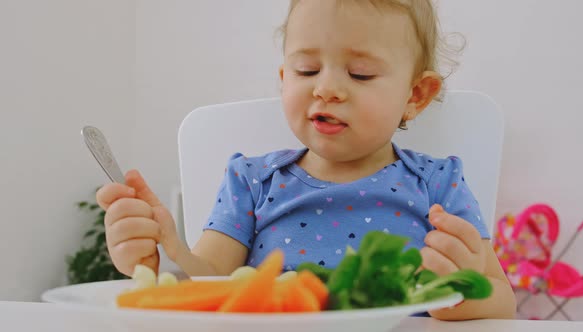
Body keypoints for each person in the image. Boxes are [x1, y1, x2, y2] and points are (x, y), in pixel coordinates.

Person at [96, 0, 516, 320]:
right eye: (307, 69)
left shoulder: (437, 183)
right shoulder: (254, 180)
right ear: (284, 80)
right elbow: (209, 281)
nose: (327, 88)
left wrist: (457, 289)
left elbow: (503, 301)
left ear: (415, 95)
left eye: (360, 74)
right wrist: (163, 255)